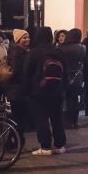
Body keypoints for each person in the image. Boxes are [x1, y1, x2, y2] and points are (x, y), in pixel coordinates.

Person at [21, 27, 67, 156]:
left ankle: (45, 146)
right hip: (57, 89)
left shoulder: (34, 53)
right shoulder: (58, 52)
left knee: (41, 118)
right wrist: (64, 88)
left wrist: (25, 90)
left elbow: (27, 73)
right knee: (57, 117)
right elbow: (65, 72)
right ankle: (60, 145)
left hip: (39, 90)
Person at [58, 29, 86, 128]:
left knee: (67, 99)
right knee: (75, 100)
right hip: (77, 76)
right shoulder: (82, 47)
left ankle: (67, 121)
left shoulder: (63, 48)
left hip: (65, 75)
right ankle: (75, 121)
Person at [6, 29, 32, 134]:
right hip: (16, 88)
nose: (27, 39)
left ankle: (16, 140)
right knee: (18, 117)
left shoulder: (24, 51)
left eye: (28, 37)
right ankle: (15, 141)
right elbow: (16, 71)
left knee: (20, 116)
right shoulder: (16, 52)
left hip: (19, 88)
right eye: (24, 38)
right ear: (18, 40)